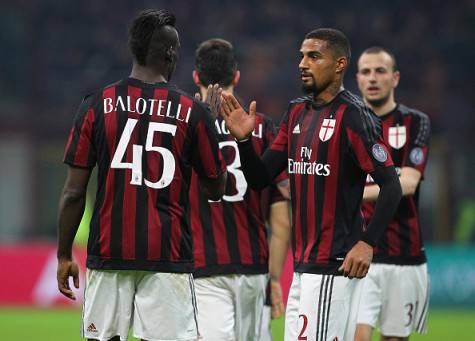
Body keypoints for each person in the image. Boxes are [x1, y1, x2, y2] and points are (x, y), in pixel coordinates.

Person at [220, 28, 403, 341]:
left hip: (333, 264)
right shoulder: (296, 112)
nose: (303, 63)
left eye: (314, 56)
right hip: (304, 268)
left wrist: (367, 243)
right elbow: (260, 179)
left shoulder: (354, 115)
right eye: (302, 56)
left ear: (339, 64)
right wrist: (245, 141)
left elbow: (392, 186)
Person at [56, 9, 227, 341]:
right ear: (171, 53)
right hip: (168, 255)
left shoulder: (96, 104)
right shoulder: (193, 113)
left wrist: (64, 255)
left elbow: (73, 193)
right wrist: (211, 127)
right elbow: (215, 189)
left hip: (109, 252)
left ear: (132, 49)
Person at [189, 38, 291, 341]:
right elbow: (282, 219)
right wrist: (274, 278)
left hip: (204, 265)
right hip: (254, 267)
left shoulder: (184, 126)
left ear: (196, 77)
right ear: (237, 76)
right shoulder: (264, 128)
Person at [354, 47, 431, 341]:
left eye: (380, 71)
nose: (372, 78)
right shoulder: (349, 122)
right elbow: (399, 177)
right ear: (357, 78)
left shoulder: (416, 122)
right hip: (359, 251)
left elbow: (408, 184)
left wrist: (350, 192)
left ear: (395, 77)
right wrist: (393, 175)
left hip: (404, 254)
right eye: (365, 71)